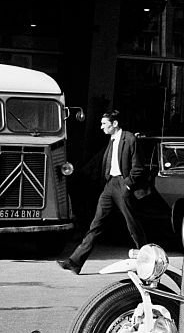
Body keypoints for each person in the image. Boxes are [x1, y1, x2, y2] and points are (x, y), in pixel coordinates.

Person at [57, 110, 149, 274]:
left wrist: (128, 184)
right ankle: (75, 262)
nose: (101, 127)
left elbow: (138, 167)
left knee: (132, 223)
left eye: (104, 124)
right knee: (96, 224)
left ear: (114, 124)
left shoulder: (130, 139)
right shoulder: (112, 140)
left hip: (122, 183)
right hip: (110, 185)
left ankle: (148, 258)